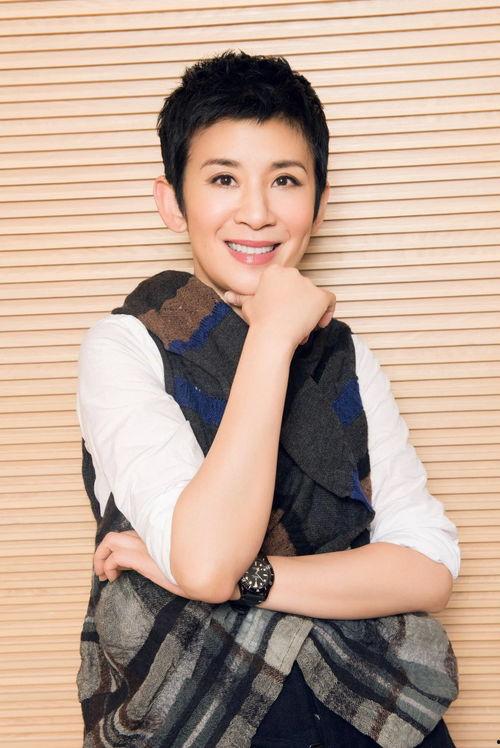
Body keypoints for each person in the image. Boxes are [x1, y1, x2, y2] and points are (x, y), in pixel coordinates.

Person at [76, 50, 460, 747]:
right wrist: (273, 335)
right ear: (173, 202)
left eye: (284, 180)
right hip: (196, 716)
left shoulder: (347, 358)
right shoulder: (125, 346)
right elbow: (206, 556)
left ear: (319, 202)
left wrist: (242, 581)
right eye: (223, 178)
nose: (256, 213)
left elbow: (427, 569)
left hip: (375, 716)